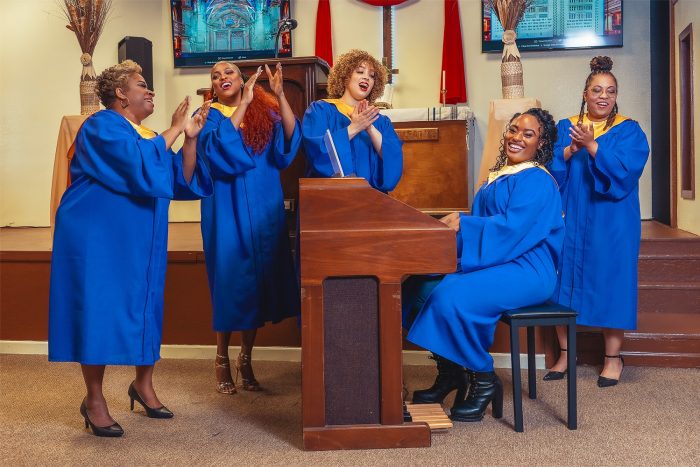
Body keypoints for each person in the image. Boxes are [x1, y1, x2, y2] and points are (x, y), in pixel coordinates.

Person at [48, 60, 212, 437]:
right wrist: (173, 128)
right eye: (142, 85)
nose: (150, 90)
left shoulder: (148, 134)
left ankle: (143, 385)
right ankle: (94, 399)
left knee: (145, 306)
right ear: (120, 94)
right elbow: (139, 162)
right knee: (98, 311)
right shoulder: (101, 125)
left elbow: (178, 178)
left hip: (140, 240)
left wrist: (189, 138)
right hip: (98, 238)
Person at [403, 108, 564, 422]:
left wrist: (465, 223)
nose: (517, 138)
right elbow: (487, 222)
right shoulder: (499, 176)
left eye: (528, 134)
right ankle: (451, 373)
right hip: (500, 258)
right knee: (418, 287)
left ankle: (482, 376)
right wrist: (460, 222)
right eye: (513, 129)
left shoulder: (537, 181)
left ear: (541, 144)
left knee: (451, 294)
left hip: (528, 267)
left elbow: (512, 229)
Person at [545, 56, 650, 387]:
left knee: (612, 283)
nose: (603, 96)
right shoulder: (566, 127)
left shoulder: (629, 130)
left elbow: (625, 173)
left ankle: (613, 359)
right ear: (585, 93)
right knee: (561, 284)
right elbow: (547, 169)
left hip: (612, 220)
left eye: (611, 91)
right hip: (570, 216)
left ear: (616, 96)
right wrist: (569, 149)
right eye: (596, 90)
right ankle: (565, 354)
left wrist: (592, 147)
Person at [197, 61, 301, 395]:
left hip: (262, 205)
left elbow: (288, 139)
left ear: (242, 80)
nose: (222, 77)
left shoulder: (264, 110)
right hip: (225, 208)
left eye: (228, 73)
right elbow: (215, 151)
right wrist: (242, 104)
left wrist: (280, 94)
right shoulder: (209, 115)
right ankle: (221, 357)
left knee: (257, 285)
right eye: (215, 75)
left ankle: (246, 357)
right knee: (230, 282)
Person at [302, 49, 403, 192]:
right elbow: (316, 151)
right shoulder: (321, 110)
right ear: (345, 77)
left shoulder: (380, 121)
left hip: (372, 202)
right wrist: (354, 127)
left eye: (372, 75)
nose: (367, 78)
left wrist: (369, 128)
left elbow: (393, 160)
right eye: (360, 72)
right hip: (331, 201)